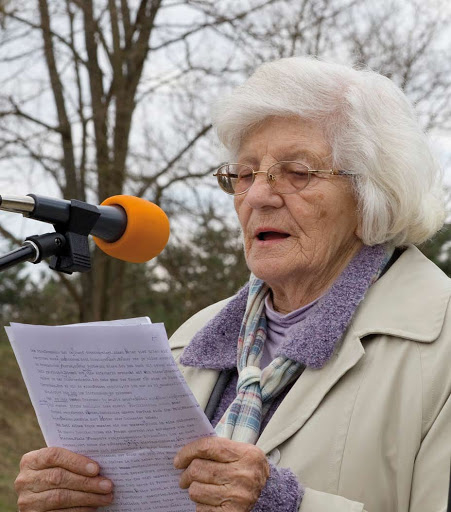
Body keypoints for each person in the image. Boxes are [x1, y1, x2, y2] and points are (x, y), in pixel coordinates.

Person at [14, 57, 451, 512]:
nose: (258, 196)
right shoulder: (190, 341)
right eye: (245, 174)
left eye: (297, 172)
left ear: (372, 193)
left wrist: (285, 506)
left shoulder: (440, 342)